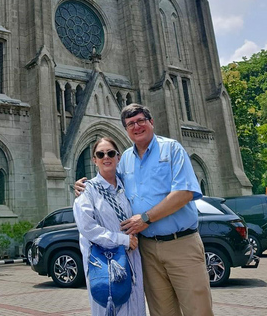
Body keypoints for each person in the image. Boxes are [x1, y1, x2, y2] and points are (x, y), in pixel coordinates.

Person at [75, 104, 213, 316]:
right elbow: (107, 182)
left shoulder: (171, 148)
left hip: (181, 244)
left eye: (141, 121)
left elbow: (185, 192)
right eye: (131, 124)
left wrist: (146, 218)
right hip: (146, 250)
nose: (137, 126)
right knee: (162, 312)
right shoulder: (125, 160)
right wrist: (84, 187)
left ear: (151, 122)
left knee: (198, 310)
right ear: (126, 130)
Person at [73, 137, 146, 316]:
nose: (106, 157)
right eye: (100, 154)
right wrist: (123, 240)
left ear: (118, 157)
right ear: (94, 160)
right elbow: (88, 228)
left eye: (111, 153)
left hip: (132, 259)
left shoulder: (127, 187)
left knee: (135, 308)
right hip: (104, 263)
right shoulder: (87, 191)